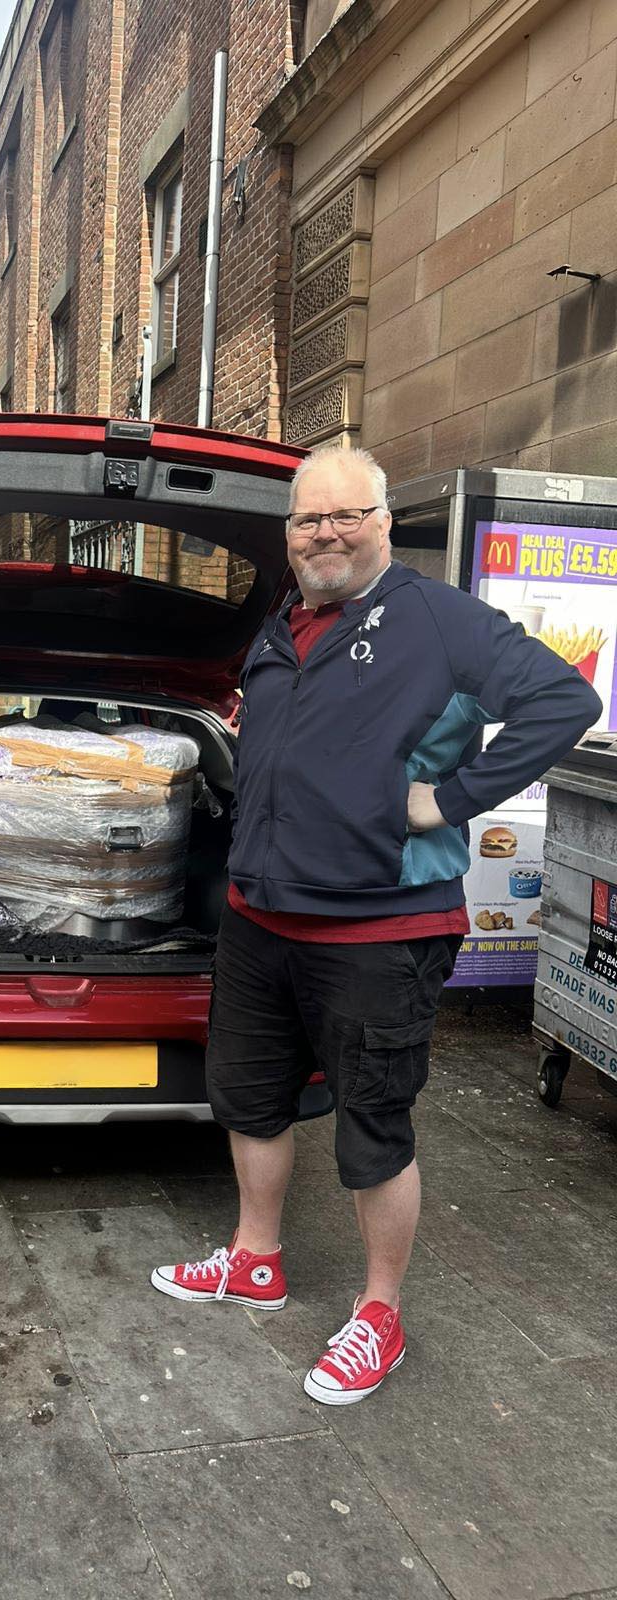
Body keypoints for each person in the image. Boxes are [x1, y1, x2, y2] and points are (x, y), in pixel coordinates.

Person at [151, 445, 601, 1404]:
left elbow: (565, 700)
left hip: (378, 930)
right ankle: (254, 1259)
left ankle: (380, 1314)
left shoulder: (439, 619)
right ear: (290, 535)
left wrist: (453, 797)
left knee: (373, 1127)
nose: (325, 534)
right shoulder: (283, 627)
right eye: (308, 520)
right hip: (259, 918)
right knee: (251, 1099)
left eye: (344, 515)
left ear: (384, 520)